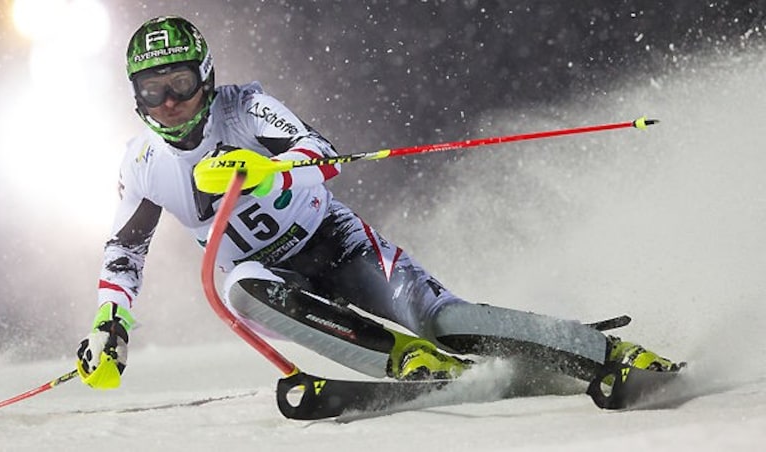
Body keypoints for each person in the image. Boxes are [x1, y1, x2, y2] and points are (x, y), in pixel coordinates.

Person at [76, 16, 681, 390]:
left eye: (179, 84)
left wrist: (268, 173)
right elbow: (124, 251)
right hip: (271, 276)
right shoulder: (142, 165)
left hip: (335, 243)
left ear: (205, 79)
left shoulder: (244, 107)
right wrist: (111, 324)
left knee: (447, 321)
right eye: (152, 92)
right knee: (238, 290)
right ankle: (405, 361)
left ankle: (607, 353)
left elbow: (323, 155)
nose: (170, 105)